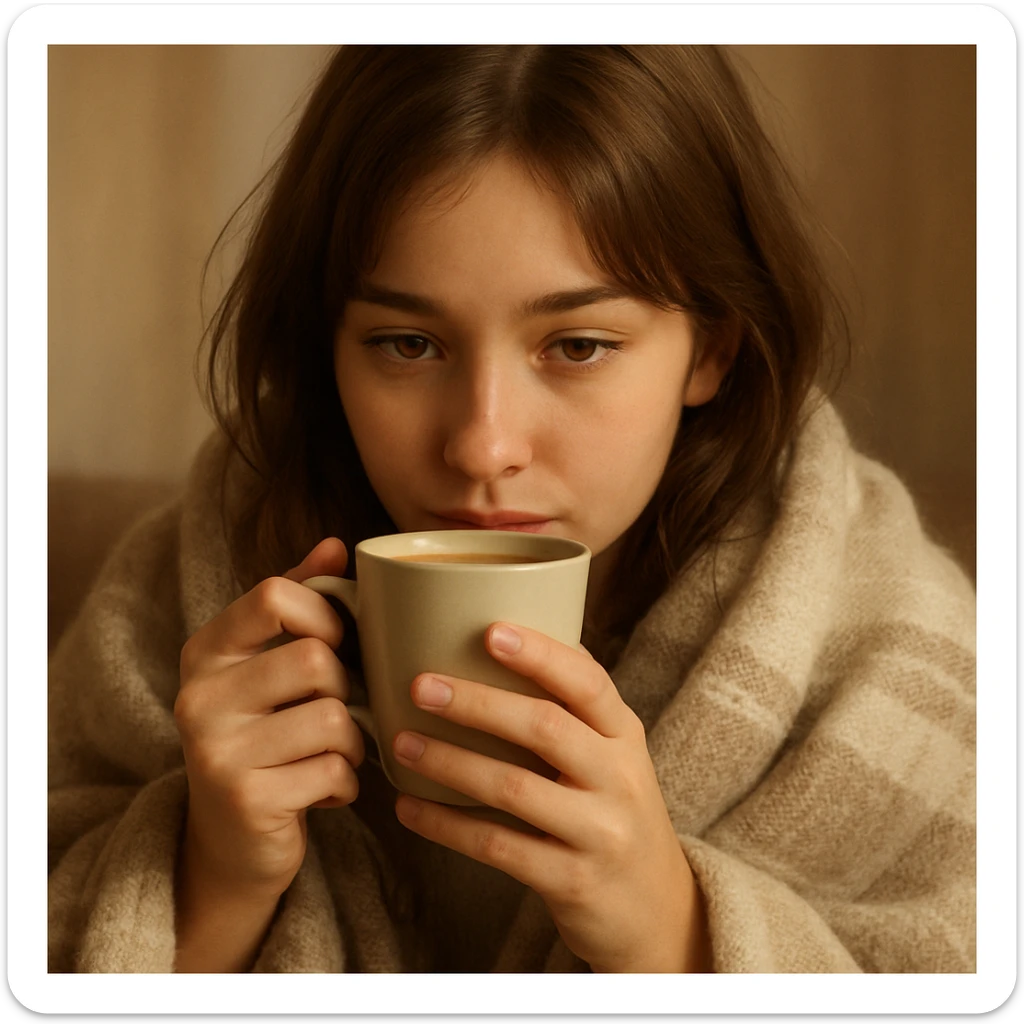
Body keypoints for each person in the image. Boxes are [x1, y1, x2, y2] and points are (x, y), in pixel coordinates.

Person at [47, 44, 976, 974]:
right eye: (407, 343)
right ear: (325, 345)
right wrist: (212, 881)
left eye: (577, 345)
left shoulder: (897, 653)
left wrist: (673, 933)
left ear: (711, 352)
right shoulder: (183, 600)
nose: (483, 445)